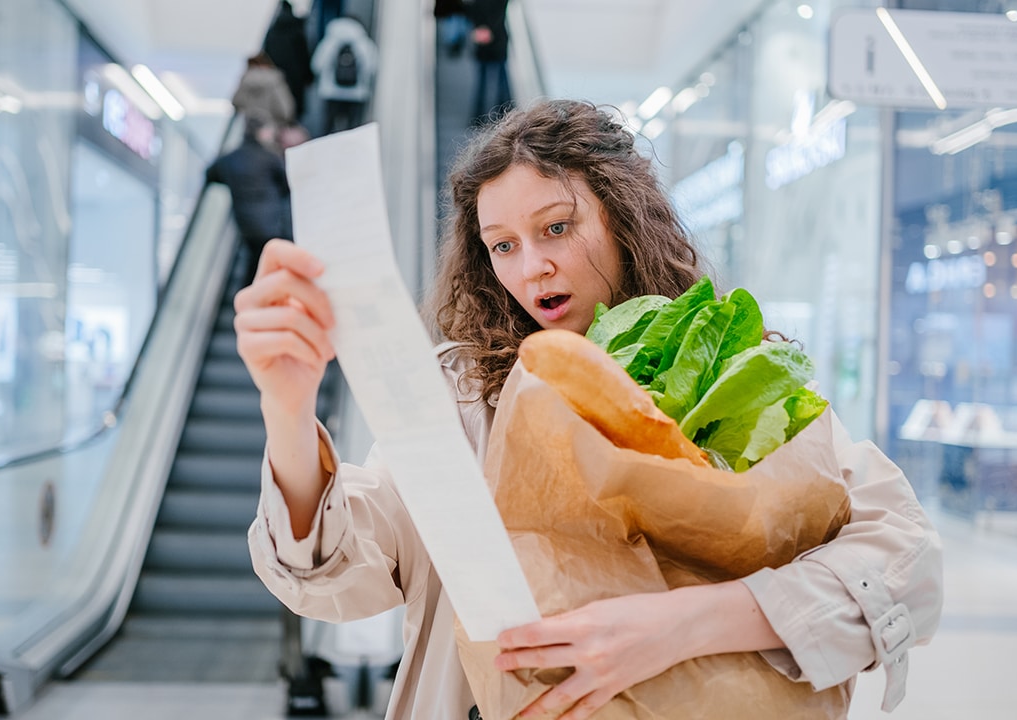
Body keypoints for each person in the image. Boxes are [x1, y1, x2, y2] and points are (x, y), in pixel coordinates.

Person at [238, 100, 943, 719]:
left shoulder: (734, 372)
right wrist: (288, 411)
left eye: (556, 228)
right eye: (503, 246)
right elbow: (339, 571)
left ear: (623, 216)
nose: (531, 267)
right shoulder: (461, 398)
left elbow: (904, 562)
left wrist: (686, 622)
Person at [206, 114, 291, 288]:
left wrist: (234, 183)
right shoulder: (269, 157)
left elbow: (210, 174)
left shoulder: (230, 159)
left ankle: (248, 297)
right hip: (269, 221)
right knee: (269, 259)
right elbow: (287, 185)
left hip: (245, 223)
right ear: (261, 132)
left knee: (254, 259)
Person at [310, 15, 378, 134]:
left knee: (328, 130)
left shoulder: (330, 40)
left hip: (331, 93)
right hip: (356, 95)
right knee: (353, 131)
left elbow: (317, 65)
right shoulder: (364, 42)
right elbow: (371, 67)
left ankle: (327, 150)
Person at [262, 1, 316, 119]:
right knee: (292, 110)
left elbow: (266, 55)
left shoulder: (273, 32)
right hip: (295, 77)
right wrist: (308, 76)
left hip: (277, 77)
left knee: (277, 108)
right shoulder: (296, 31)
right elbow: (303, 55)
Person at [464, 0, 512, 124]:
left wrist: (481, 29)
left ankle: (482, 116)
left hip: (490, 41)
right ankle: (504, 113)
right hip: (494, 40)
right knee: (496, 79)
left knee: (490, 79)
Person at [231, 52, 297, 129]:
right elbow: (285, 110)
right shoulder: (275, 79)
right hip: (273, 127)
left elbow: (236, 101)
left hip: (250, 126)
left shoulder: (246, 80)